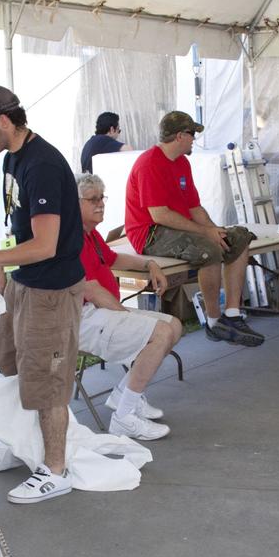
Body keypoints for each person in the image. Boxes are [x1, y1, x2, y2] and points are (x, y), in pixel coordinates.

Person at [0, 85, 85, 504]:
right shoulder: (13, 158)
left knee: (48, 383)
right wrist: (4, 270)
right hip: (25, 284)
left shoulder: (42, 164)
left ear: (3, 121)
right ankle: (27, 446)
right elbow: (21, 225)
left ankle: (56, 470)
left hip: (51, 292)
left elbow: (46, 244)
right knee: (15, 369)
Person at [124, 110, 264, 347]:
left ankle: (232, 315)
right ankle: (213, 322)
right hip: (149, 233)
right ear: (179, 136)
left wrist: (215, 230)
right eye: (192, 135)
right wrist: (206, 233)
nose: (194, 140)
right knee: (208, 249)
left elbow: (194, 207)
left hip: (174, 227)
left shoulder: (182, 162)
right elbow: (160, 215)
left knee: (238, 237)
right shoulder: (149, 163)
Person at [76, 174, 184, 440]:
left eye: (102, 197)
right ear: (74, 203)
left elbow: (114, 258)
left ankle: (125, 395)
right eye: (92, 199)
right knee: (158, 333)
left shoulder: (91, 234)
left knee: (174, 325)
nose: (100, 204)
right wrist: (127, 316)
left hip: (101, 311)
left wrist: (149, 264)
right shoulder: (72, 238)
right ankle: (124, 416)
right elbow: (92, 290)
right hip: (84, 319)